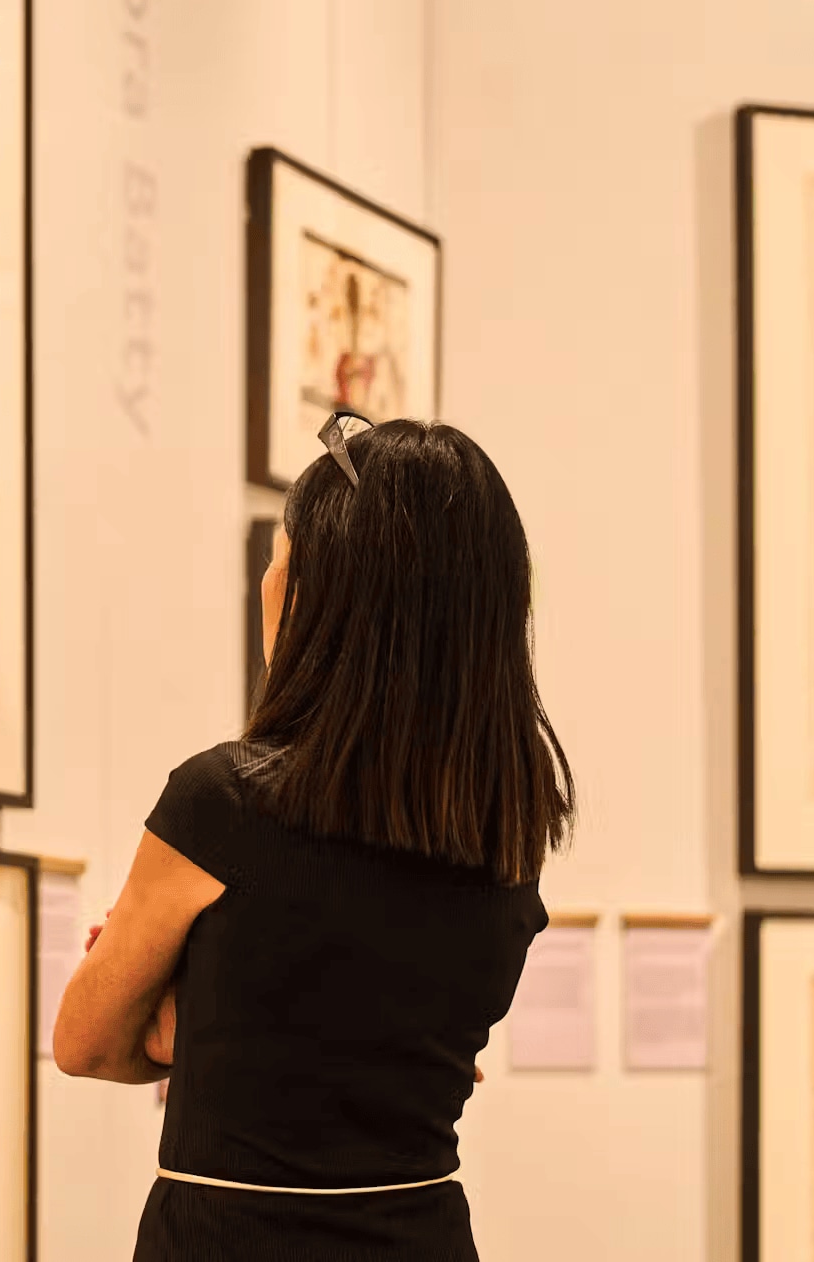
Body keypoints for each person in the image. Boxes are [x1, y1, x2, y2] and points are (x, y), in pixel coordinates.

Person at [53, 414, 575, 1261]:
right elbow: (385, 1051)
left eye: (279, 561)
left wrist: (197, 1018)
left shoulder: (223, 805)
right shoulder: (504, 833)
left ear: (315, 598)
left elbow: (86, 1042)